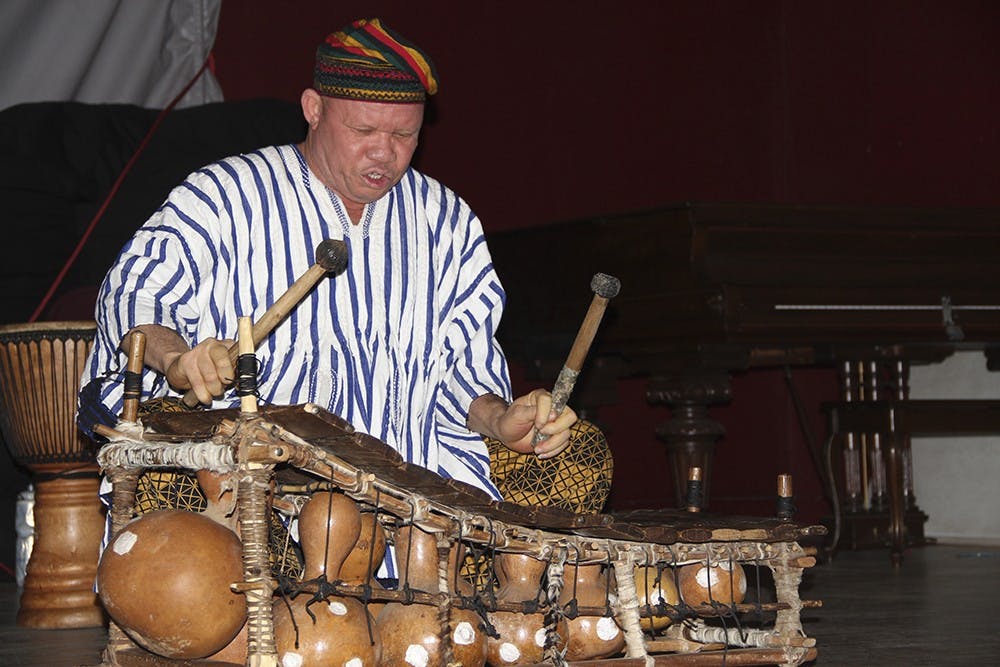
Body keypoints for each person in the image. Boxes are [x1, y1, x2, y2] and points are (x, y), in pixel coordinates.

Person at [78, 18, 577, 500]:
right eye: (363, 130)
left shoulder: (446, 220)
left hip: (410, 488)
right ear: (313, 108)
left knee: (578, 463)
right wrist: (177, 359)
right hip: (258, 484)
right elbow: (135, 292)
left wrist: (499, 418)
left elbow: (463, 371)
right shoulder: (226, 194)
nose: (384, 154)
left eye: (405, 136)